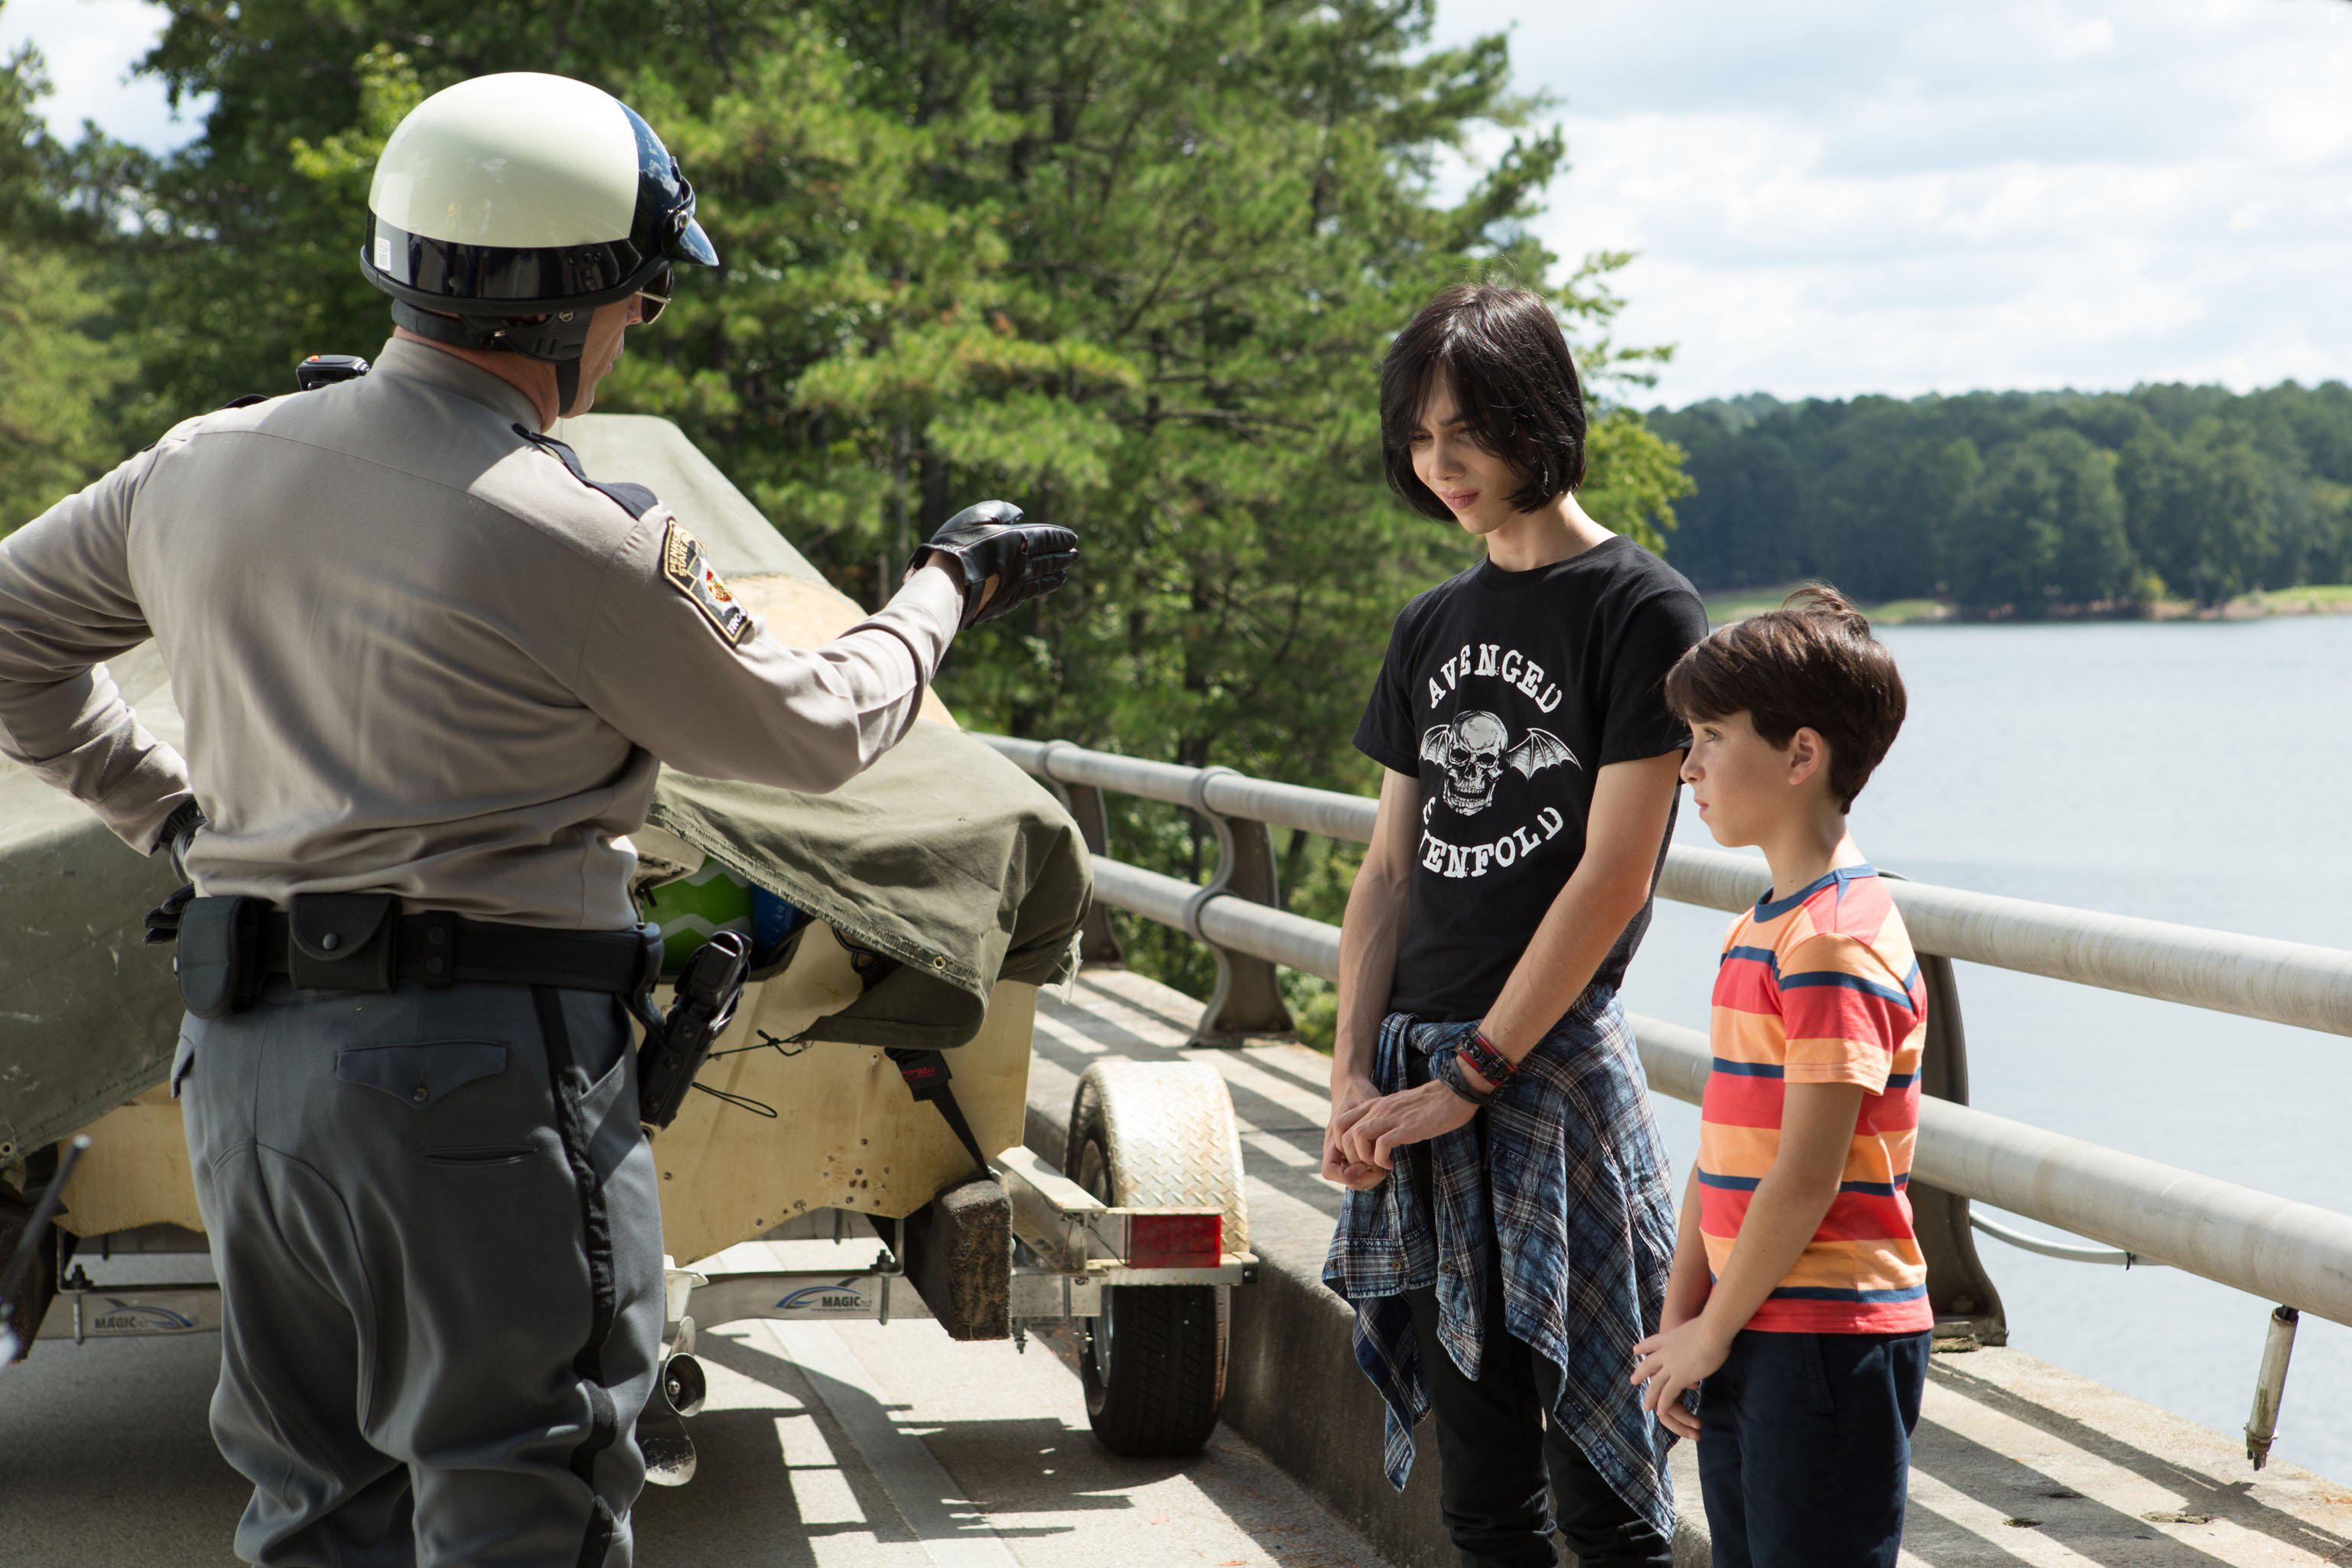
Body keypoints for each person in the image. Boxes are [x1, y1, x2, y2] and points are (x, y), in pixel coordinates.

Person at [0, 70, 1074, 1568]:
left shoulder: (197, 467)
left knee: (313, 1506)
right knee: (524, 1500)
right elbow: (818, 732)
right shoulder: (574, 529)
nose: (635, 333)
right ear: (573, 304)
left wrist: (167, 813)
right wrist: (946, 584)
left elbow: (9, 630)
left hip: (244, 1071)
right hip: (480, 1082)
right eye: (637, 302)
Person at [1320, 281, 1708, 1568]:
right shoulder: (1431, 624)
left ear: (1540, 418)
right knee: (1481, 1498)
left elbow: (1614, 877)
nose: (1443, 466)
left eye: (1467, 432)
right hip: (1418, 1073)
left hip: (1544, 1077)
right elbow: (1385, 873)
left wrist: (1473, 1074)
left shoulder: (1641, 610)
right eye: (1423, 440)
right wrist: (1349, 1075)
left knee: (1606, 1476)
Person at [1629, 586, 1927, 1568]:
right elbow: (1725, 1153)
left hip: (1825, 1336)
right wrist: (1687, 1319)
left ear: (1802, 756)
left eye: (1712, 736)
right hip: (1757, 1319)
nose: (1690, 764)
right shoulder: (1765, 923)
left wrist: (1710, 1330)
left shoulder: (1834, 939)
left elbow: (1807, 1174)